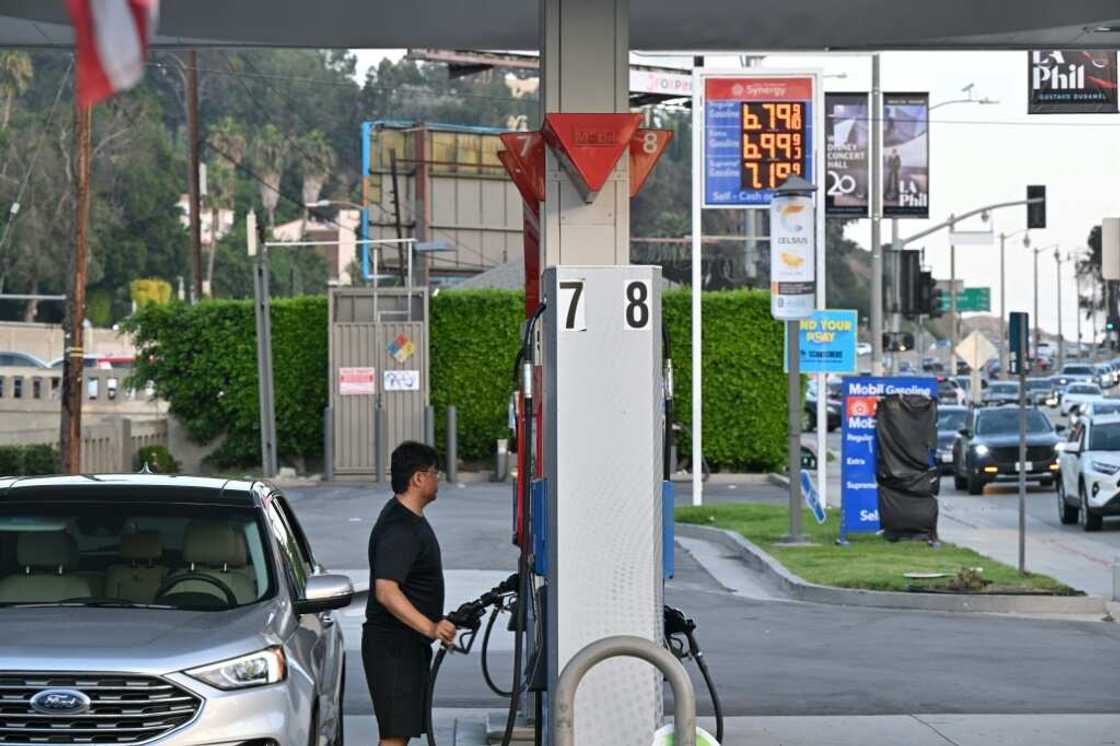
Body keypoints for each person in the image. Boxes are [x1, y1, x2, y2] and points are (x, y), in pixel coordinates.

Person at [363, 441, 456, 746]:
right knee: (394, 737)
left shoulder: (406, 519)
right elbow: (386, 591)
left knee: (399, 734)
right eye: (434, 473)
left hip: (404, 646)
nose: (437, 479)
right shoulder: (399, 528)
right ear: (418, 478)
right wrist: (430, 627)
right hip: (393, 648)